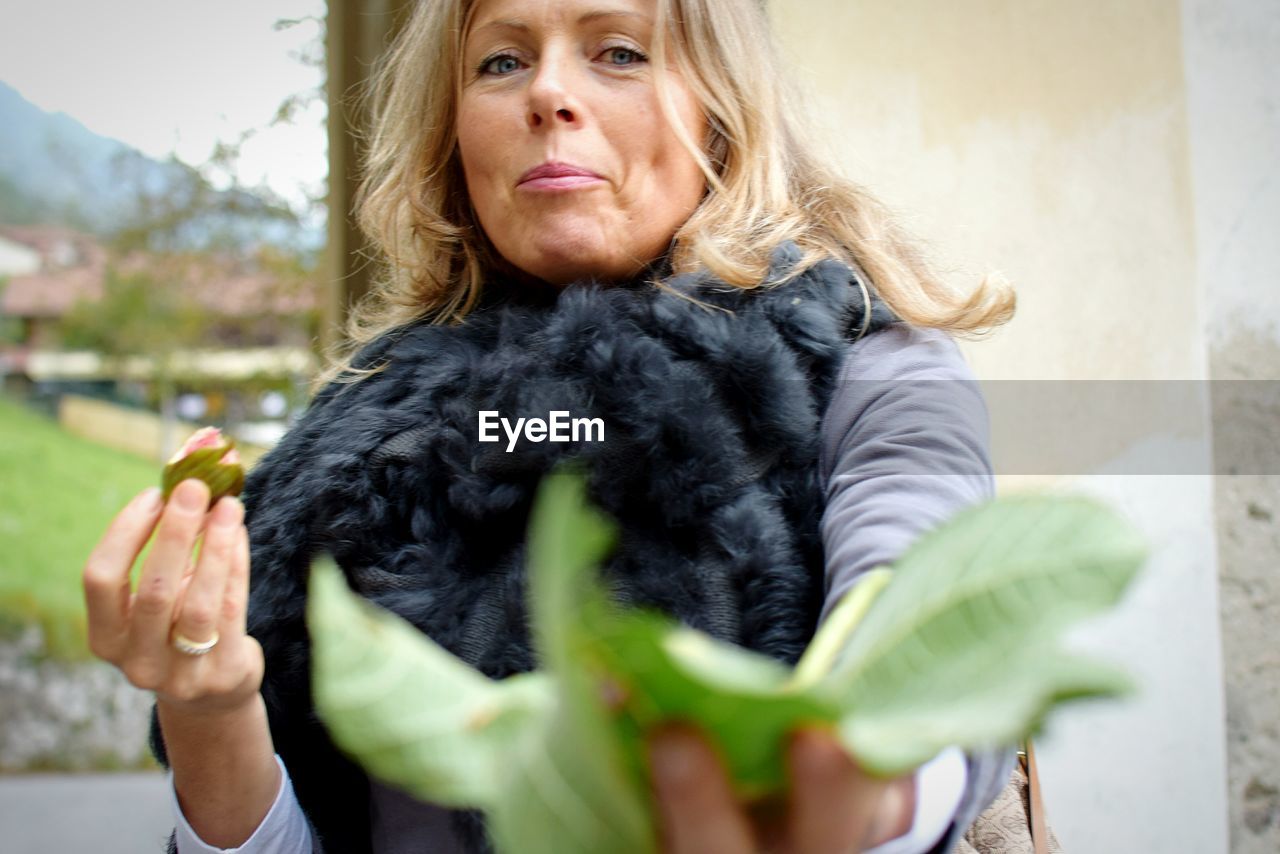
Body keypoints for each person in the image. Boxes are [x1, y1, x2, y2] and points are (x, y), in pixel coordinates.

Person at [82, 0, 1016, 851]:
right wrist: (211, 709)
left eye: (617, 51)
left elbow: (929, 638)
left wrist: (856, 788)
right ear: (451, 130)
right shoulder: (362, 431)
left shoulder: (866, 370)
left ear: (719, 108)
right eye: (500, 62)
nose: (550, 93)